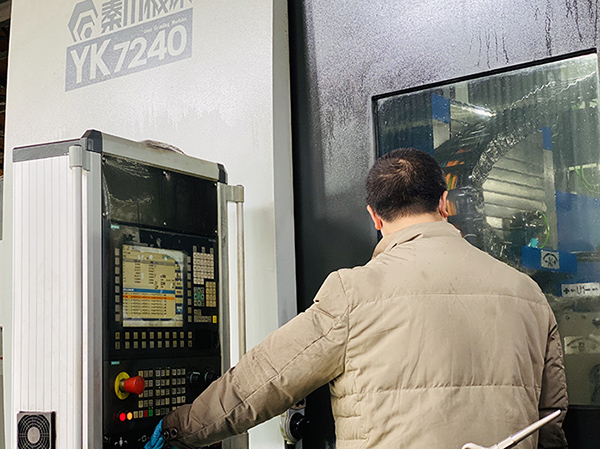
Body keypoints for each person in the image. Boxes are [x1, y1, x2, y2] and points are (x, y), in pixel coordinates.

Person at [146, 148, 568, 449]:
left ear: (374, 216)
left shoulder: (354, 293)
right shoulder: (527, 293)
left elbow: (263, 381)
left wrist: (179, 429)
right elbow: (550, 420)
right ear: (444, 203)